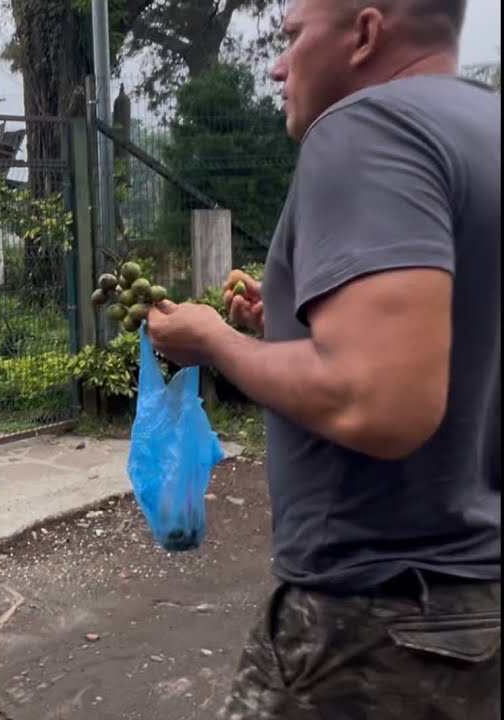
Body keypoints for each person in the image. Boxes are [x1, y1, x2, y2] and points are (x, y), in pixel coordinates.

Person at [144, 0, 501, 717]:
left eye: (293, 36)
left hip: (374, 623)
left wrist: (218, 339)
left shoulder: (367, 128)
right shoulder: (484, 131)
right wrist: (293, 331)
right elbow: (461, 335)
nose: (277, 65)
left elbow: (378, 400)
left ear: (366, 33)